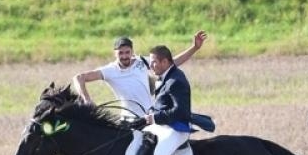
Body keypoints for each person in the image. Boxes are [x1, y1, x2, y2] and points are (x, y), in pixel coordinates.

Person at [71, 31, 207, 120]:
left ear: (132, 51)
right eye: (120, 53)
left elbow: (172, 63)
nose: (124, 56)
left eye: (127, 52)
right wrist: (87, 100)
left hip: (149, 117)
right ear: (115, 53)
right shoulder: (109, 71)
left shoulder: (141, 62)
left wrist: (195, 48)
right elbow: (79, 78)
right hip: (129, 121)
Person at [143, 44, 194, 155]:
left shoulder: (176, 81)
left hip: (177, 128)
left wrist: (154, 118)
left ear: (165, 62)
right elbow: (161, 104)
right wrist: (148, 115)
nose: (151, 66)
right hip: (162, 126)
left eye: (154, 62)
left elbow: (180, 112)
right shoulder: (164, 76)